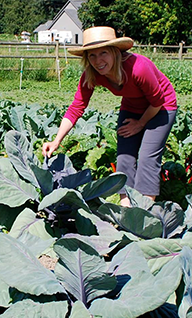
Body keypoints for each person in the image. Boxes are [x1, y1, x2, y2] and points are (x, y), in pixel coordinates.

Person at [42, 26, 177, 207]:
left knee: (147, 158)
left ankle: (145, 210)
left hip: (161, 108)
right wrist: (57, 140)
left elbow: (158, 100)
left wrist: (140, 124)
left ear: (115, 52)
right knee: (124, 157)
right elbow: (76, 108)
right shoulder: (91, 75)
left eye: (103, 53)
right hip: (132, 107)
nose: (98, 61)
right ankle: (127, 208)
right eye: (92, 55)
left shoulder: (138, 68)